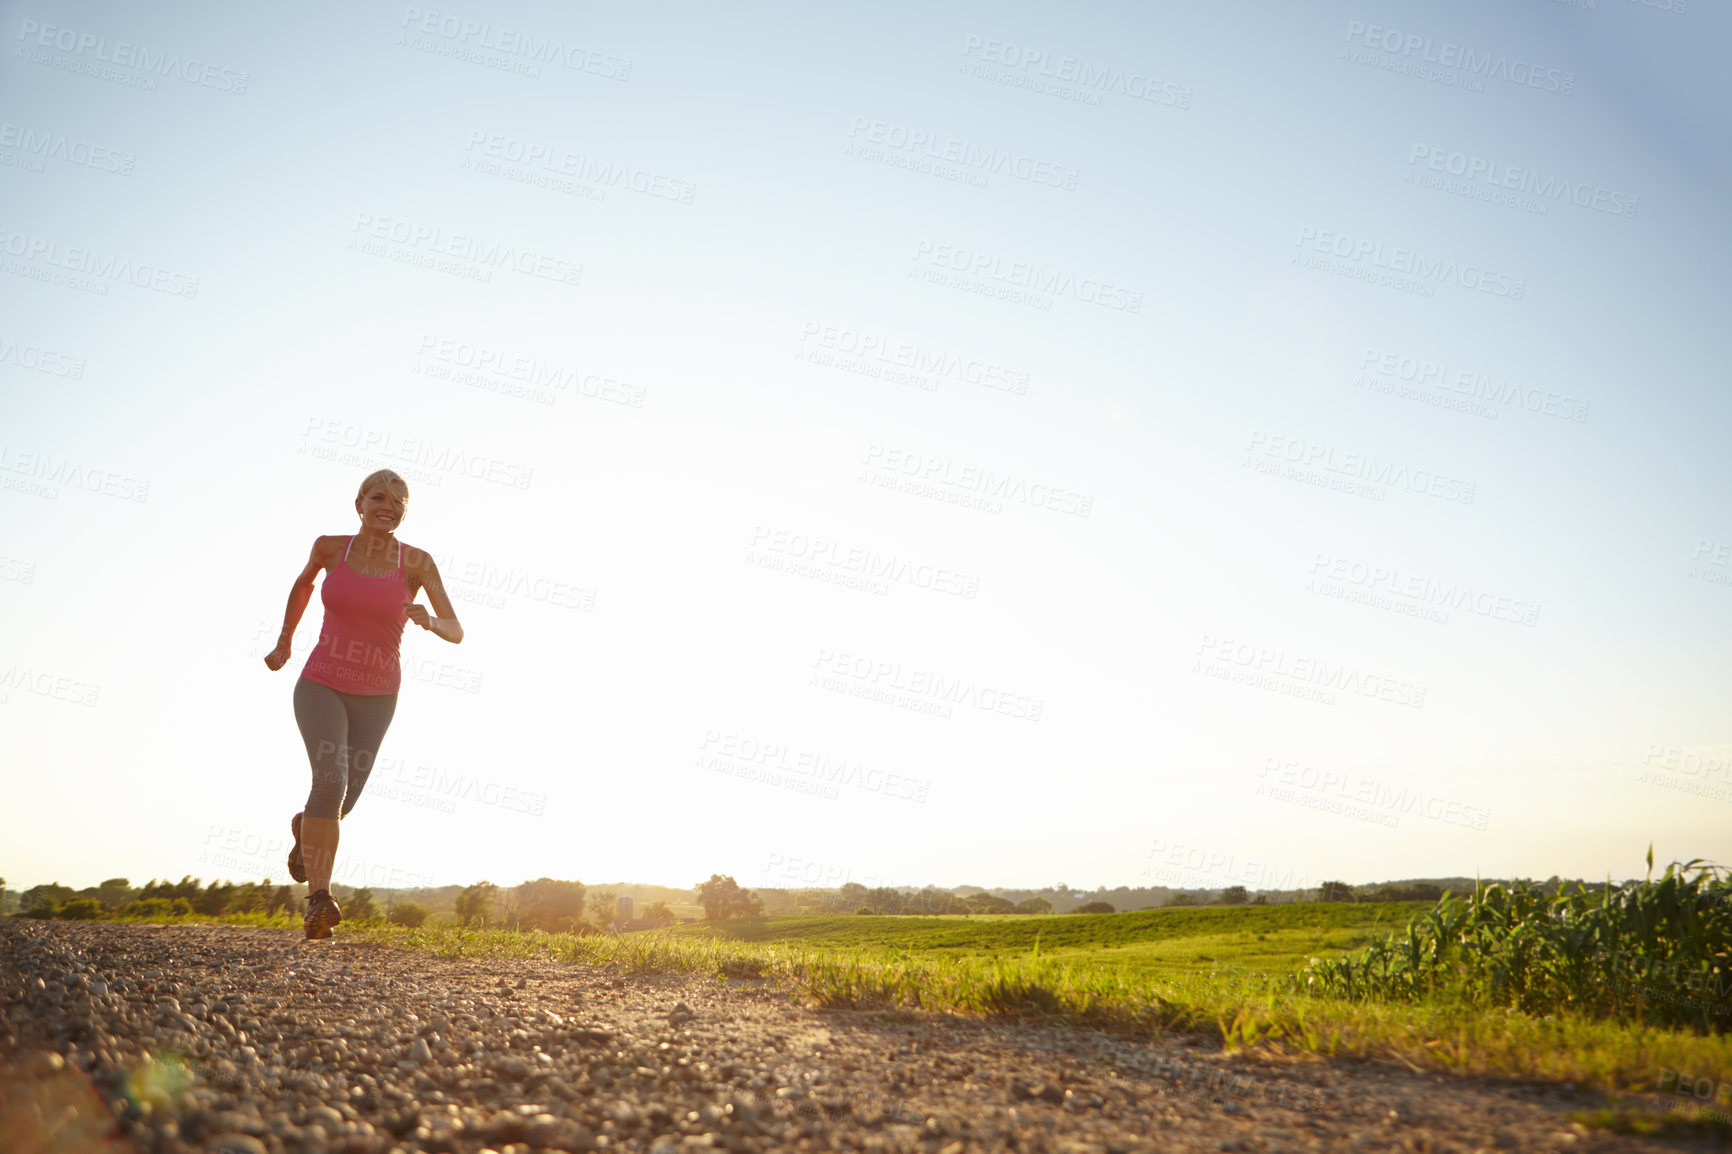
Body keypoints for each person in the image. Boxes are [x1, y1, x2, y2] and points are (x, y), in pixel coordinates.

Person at [262, 469, 463, 938]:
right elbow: (303, 586)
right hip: (322, 682)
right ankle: (318, 901)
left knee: (342, 800)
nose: (387, 506)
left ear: (404, 512)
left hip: (379, 694)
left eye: (398, 501)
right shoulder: (331, 548)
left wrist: (429, 620)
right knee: (329, 782)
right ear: (360, 503)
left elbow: (457, 629)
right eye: (378, 497)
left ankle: (303, 830)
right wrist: (285, 642)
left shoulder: (417, 562)